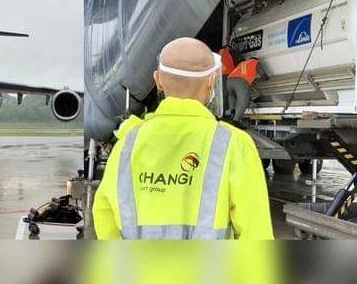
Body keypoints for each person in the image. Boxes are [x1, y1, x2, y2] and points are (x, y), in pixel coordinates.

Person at [92, 37, 273, 240]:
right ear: (212, 81)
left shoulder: (127, 143)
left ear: (158, 80)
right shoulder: (235, 144)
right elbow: (256, 235)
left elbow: (104, 212)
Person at [226, 57, 268, 122]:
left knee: (232, 95)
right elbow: (263, 74)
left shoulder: (243, 63)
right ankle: (235, 121)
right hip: (240, 81)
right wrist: (266, 78)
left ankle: (232, 112)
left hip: (229, 80)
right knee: (243, 103)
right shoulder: (255, 62)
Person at [218, 45, 236, 114]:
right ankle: (223, 111)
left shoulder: (221, 53)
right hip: (227, 74)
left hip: (224, 75)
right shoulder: (226, 51)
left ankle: (223, 111)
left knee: (225, 93)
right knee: (227, 93)